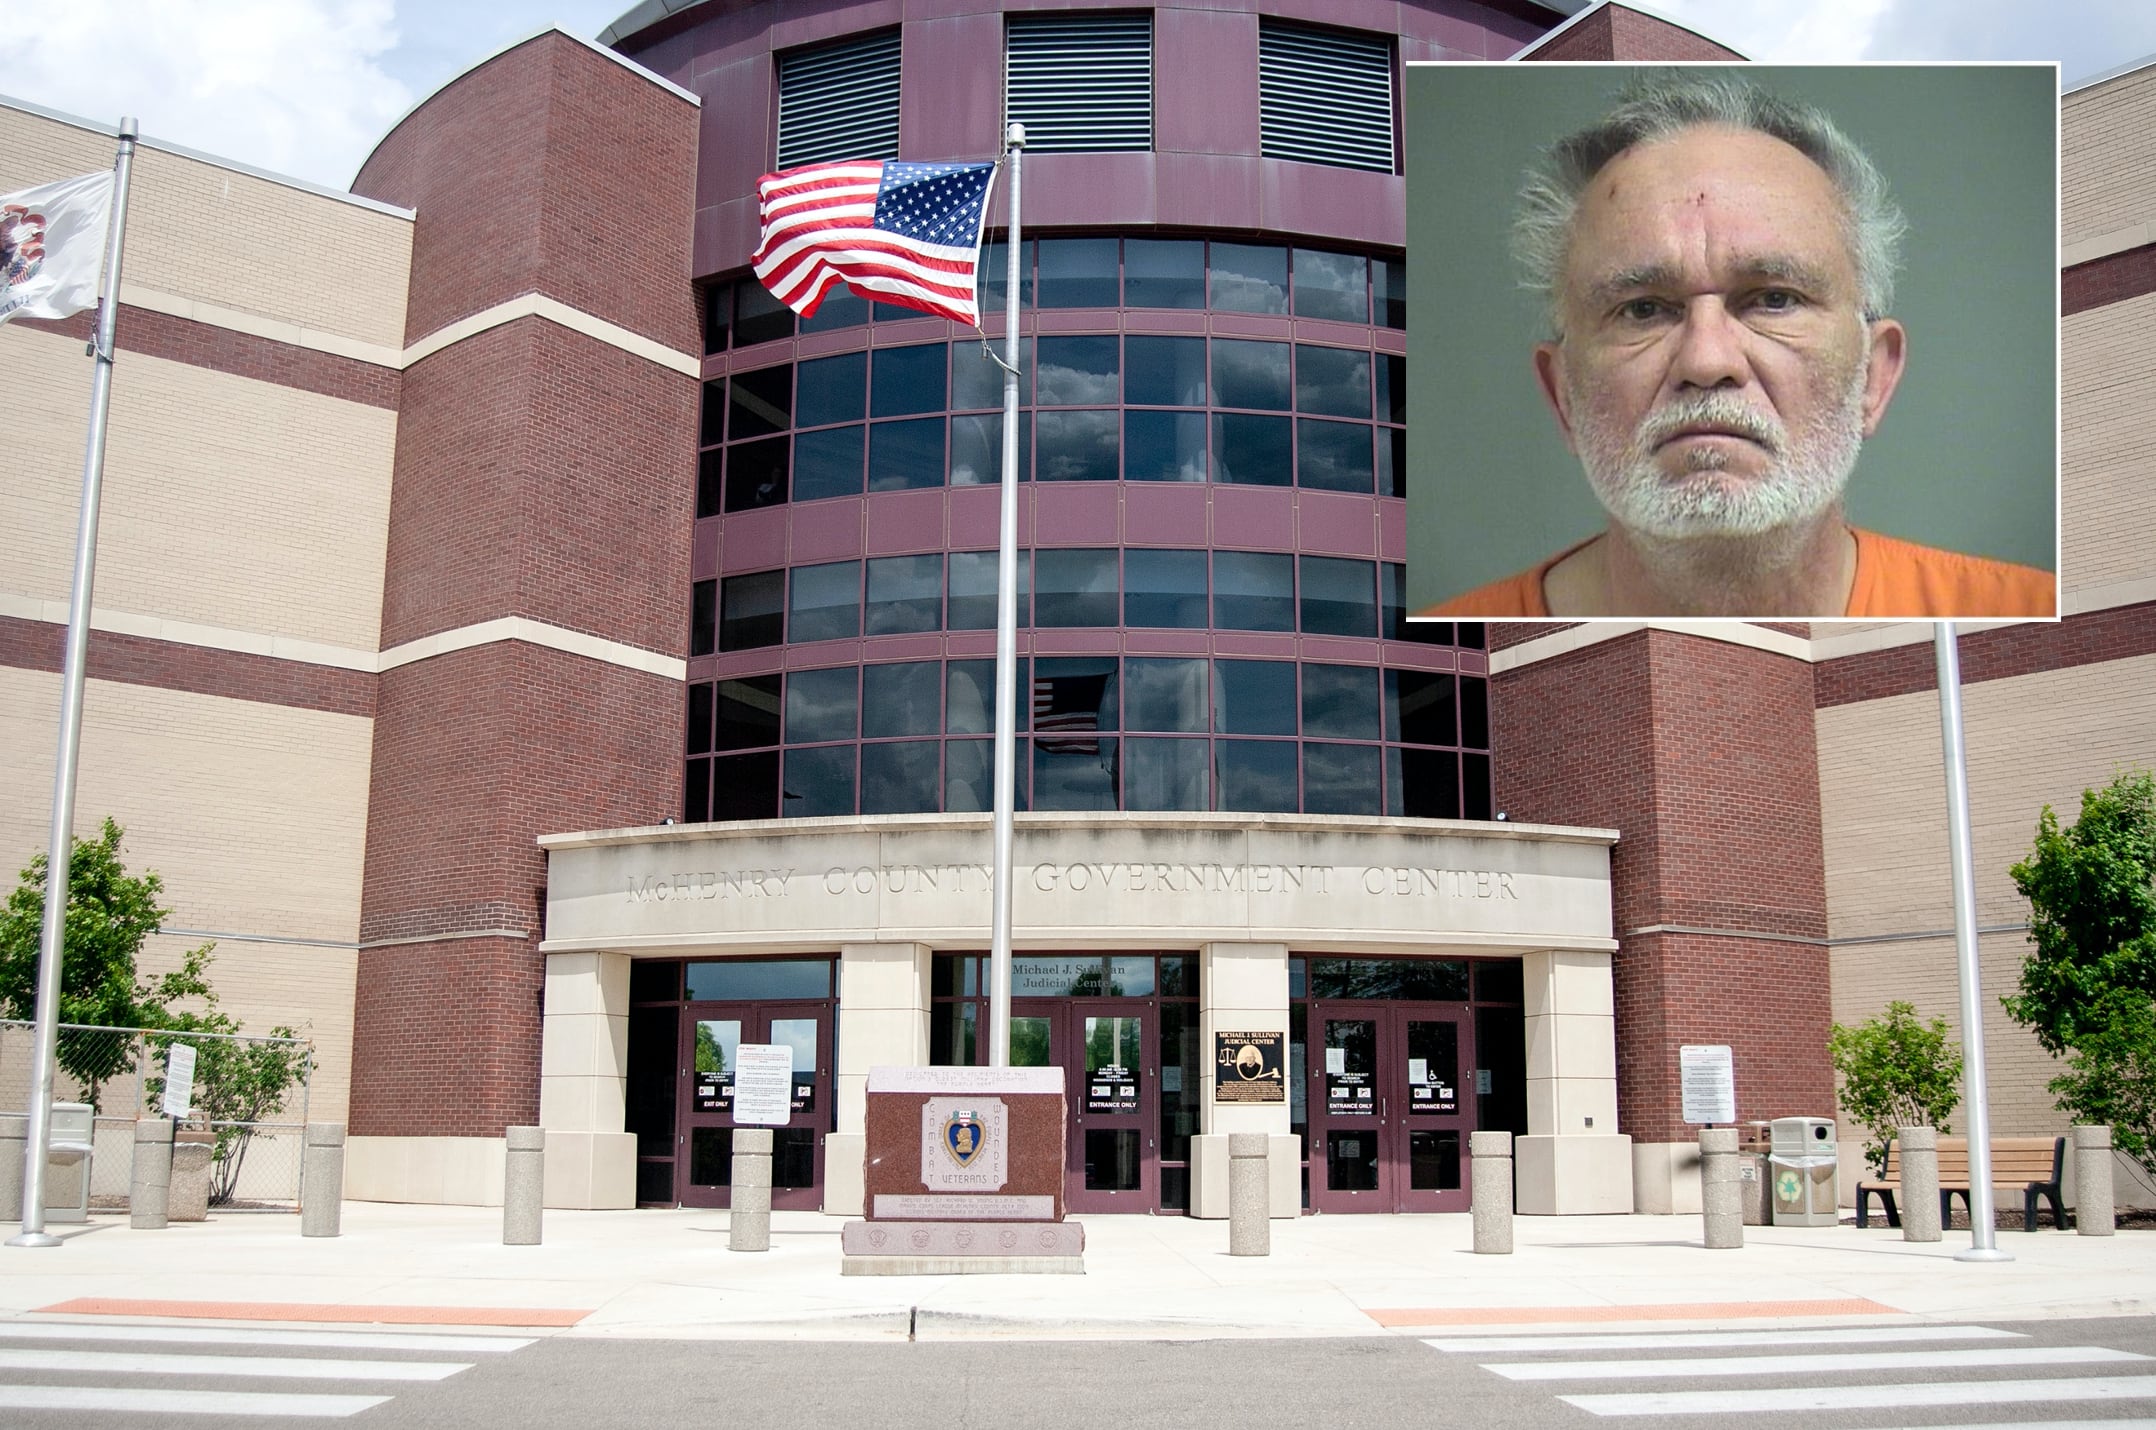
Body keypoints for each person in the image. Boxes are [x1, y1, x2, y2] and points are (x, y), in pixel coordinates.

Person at [1424, 74, 2054, 620]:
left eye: (1773, 299)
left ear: (1873, 377)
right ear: (1563, 395)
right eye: (1643, 309)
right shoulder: (1459, 629)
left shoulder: (2021, 607)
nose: (1706, 361)